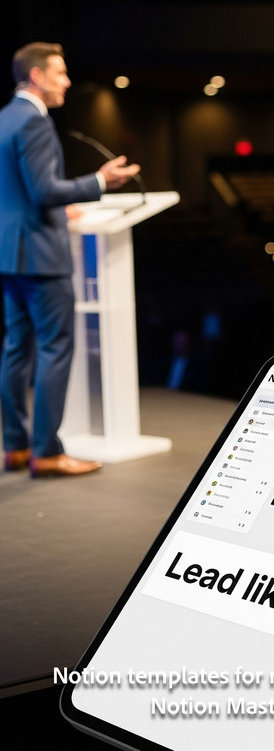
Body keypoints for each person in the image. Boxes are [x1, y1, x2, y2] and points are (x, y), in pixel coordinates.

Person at [0, 42, 141, 477]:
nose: (66, 81)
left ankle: (16, 447)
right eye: (60, 73)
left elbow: (19, 190)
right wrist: (100, 180)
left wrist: (60, 208)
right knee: (55, 348)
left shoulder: (5, 118)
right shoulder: (35, 121)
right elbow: (44, 190)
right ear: (37, 76)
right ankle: (47, 452)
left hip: (10, 252)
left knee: (16, 349)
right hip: (41, 254)